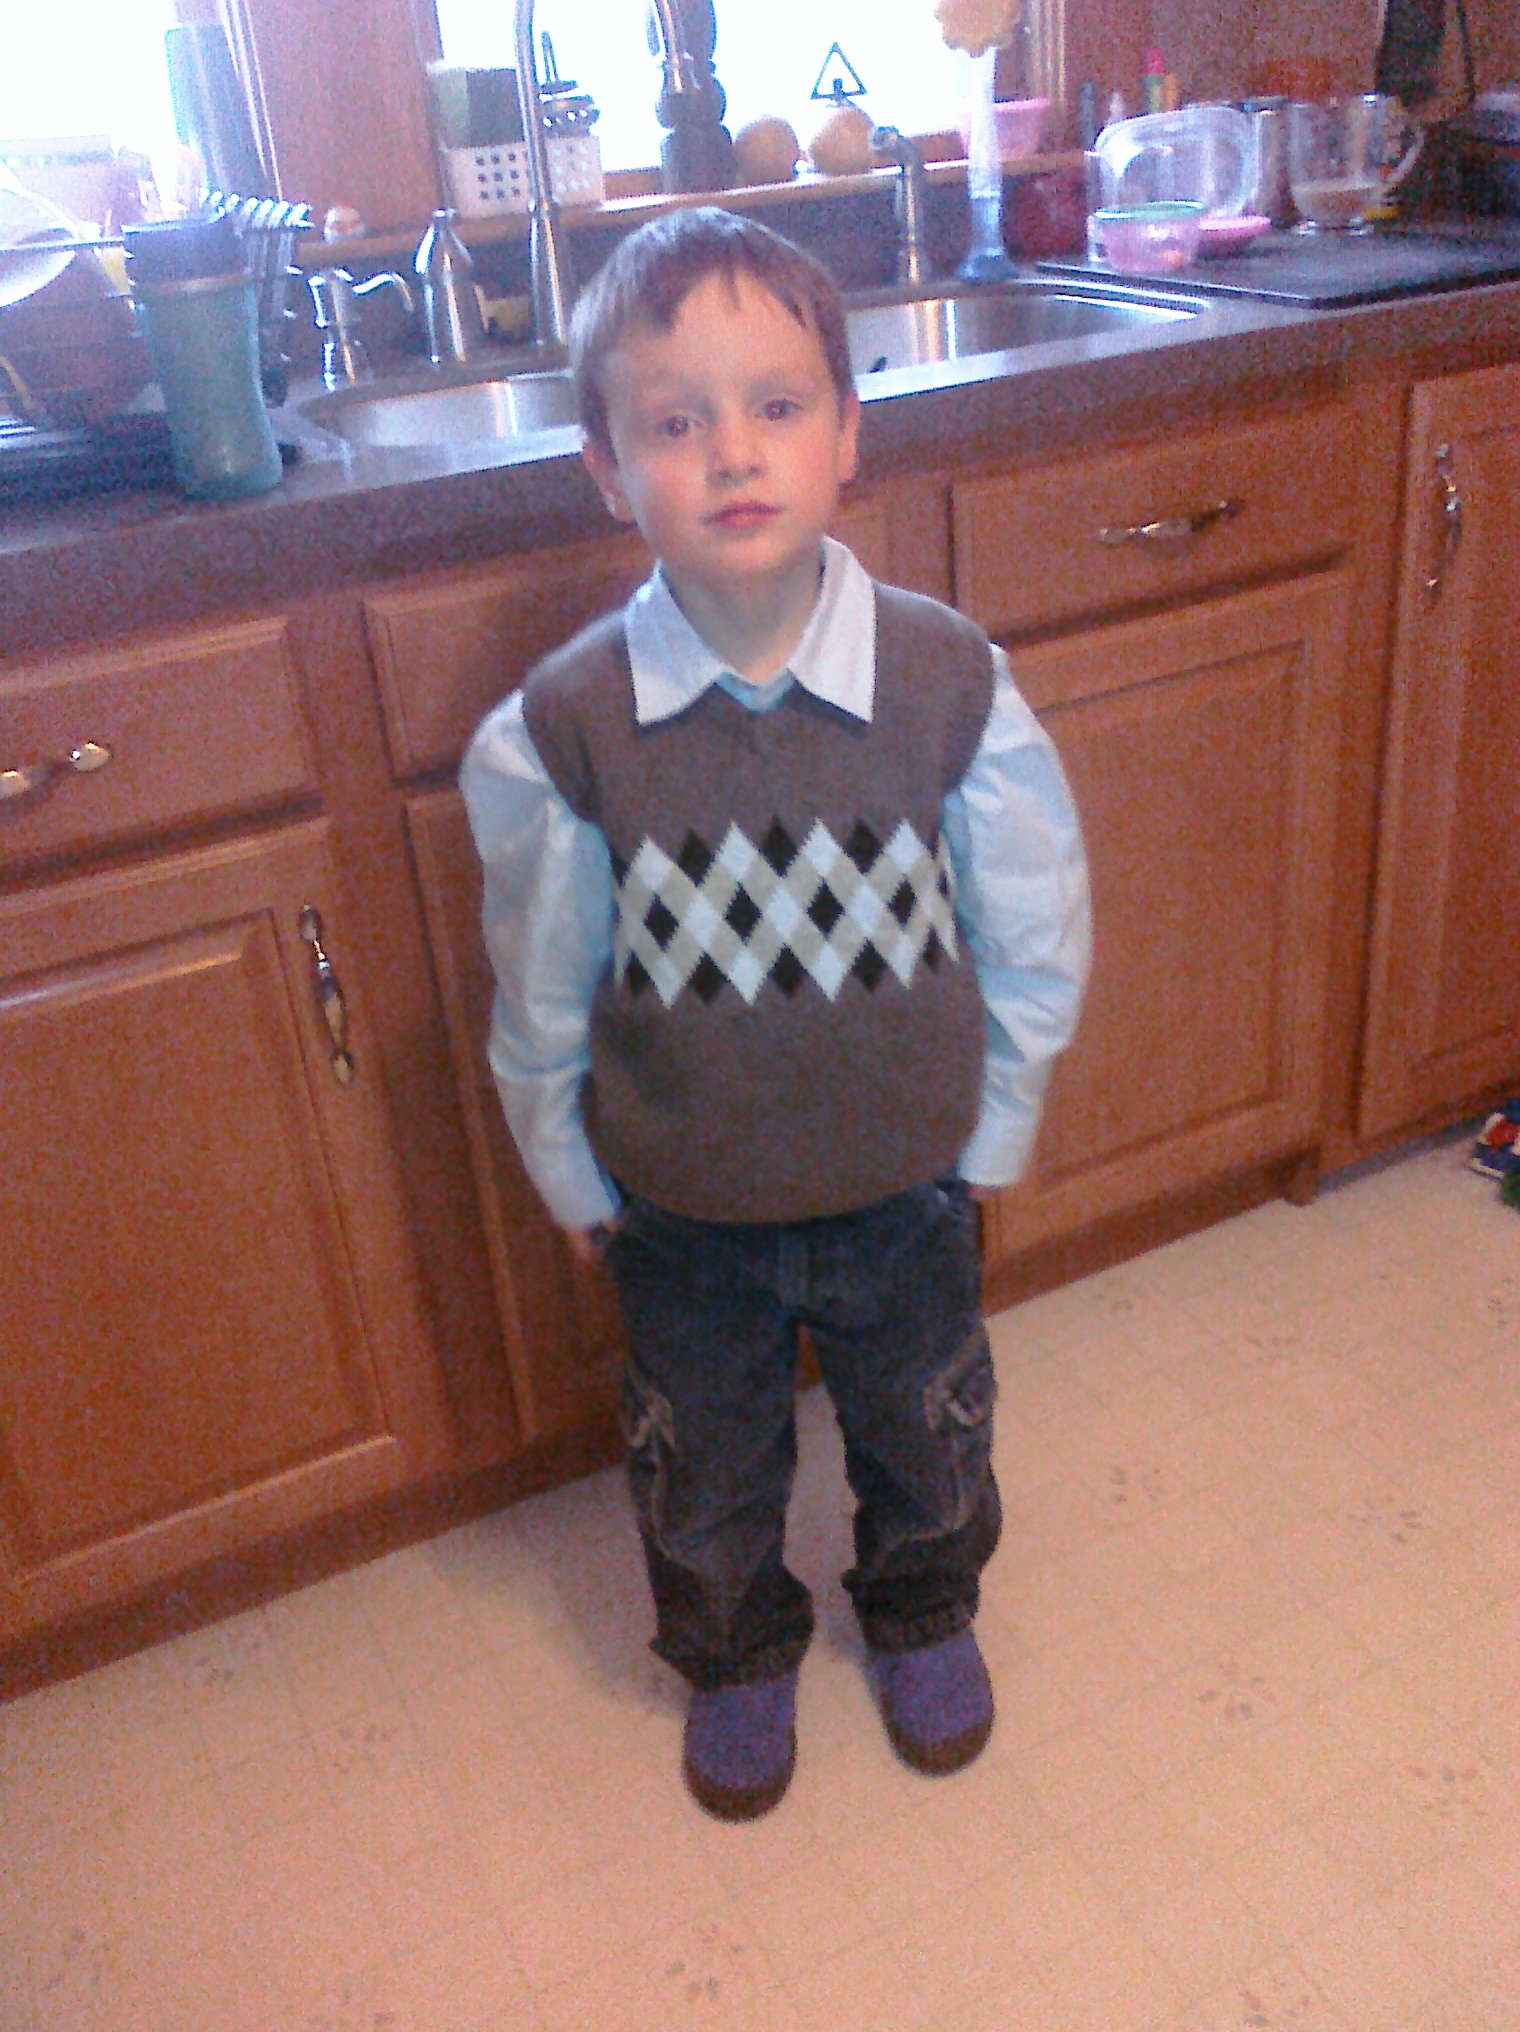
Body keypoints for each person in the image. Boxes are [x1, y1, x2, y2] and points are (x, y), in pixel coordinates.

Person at [461, 207, 1090, 1823]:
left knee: (929, 1434)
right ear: (608, 470)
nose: (734, 452)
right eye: (676, 423)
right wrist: (565, 1169)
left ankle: (924, 1609)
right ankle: (736, 1649)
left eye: (779, 405)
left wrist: (1001, 1123)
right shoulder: (564, 732)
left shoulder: (948, 682)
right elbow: (540, 984)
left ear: (847, 434)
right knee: (702, 1464)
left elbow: (1035, 922)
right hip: (683, 1216)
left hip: (908, 1191)